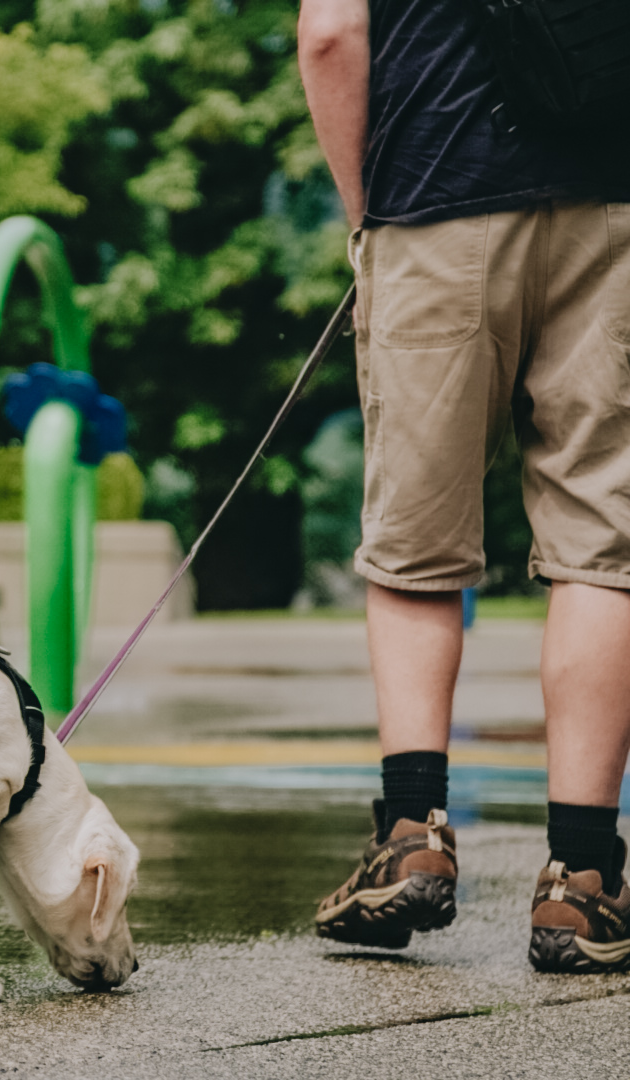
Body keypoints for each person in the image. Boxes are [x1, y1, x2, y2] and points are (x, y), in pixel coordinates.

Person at [298, 0, 630, 971]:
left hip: (433, 192)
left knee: (414, 549)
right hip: (610, 204)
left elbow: (328, 33)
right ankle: (580, 880)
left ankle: (410, 835)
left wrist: (367, 220)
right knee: (599, 549)